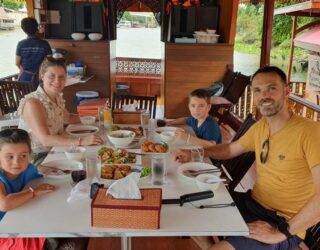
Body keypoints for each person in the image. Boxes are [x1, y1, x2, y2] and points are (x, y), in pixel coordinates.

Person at [173, 66, 320, 250]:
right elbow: (230, 149)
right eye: (257, 90)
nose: (263, 95)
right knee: (187, 207)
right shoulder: (261, 127)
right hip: (251, 203)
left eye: (271, 88)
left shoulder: (310, 132)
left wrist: (280, 233)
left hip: (281, 222)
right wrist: (196, 153)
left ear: (286, 91)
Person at [18, 57, 103, 156]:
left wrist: (96, 117)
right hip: (37, 156)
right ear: (42, 76)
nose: (57, 81)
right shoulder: (33, 103)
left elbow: (69, 118)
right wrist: (82, 141)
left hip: (57, 148)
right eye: (52, 76)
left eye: (61, 77)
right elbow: (46, 140)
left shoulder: (57, 97)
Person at [0, 128, 55, 249]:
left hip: (22, 217)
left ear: (30, 155)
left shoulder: (29, 169)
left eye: (23, 156)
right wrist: (33, 192)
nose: (17, 162)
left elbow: (39, 182)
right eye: (9, 157)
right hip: (4, 231)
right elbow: (4, 204)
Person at [16, 17, 52, 87]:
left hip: (25, 79)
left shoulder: (21, 44)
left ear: (23, 30)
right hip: (41, 79)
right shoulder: (44, 43)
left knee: (26, 97)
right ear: (37, 28)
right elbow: (50, 61)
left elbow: (17, 63)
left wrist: (23, 71)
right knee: (41, 97)